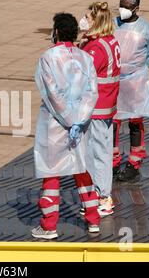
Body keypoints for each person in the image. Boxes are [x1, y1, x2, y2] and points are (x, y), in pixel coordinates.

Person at [31, 13, 100, 239]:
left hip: (55, 124)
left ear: (57, 32)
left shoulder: (48, 58)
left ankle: (49, 226)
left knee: (52, 172)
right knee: (82, 169)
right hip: (81, 125)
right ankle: (93, 220)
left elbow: (52, 93)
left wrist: (68, 119)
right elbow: (92, 93)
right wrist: (79, 119)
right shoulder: (85, 58)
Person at [113, 0, 149, 182]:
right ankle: (113, 161)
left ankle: (134, 161)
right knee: (113, 122)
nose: (122, 9)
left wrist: (136, 70)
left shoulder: (147, 29)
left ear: (136, 8)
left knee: (135, 121)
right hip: (115, 80)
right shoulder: (113, 24)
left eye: (127, 6)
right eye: (121, 5)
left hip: (136, 82)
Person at [79, 2, 121, 217]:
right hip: (106, 105)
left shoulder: (96, 48)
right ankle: (99, 194)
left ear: (96, 21)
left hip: (97, 107)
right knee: (99, 150)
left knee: (97, 152)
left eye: (87, 17)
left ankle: (102, 196)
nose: (83, 20)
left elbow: (82, 72)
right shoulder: (109, 41)